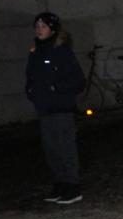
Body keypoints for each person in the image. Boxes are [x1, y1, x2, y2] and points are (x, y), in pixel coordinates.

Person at [25, 12, 85, 205]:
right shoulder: (35, 51)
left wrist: (56, 88)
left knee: (65, 148)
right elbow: (31, 76)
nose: (39, 29)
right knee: (51, 149)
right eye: (37, 26)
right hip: (44, 109)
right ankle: (60, 184)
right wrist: (31, 91)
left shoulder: (62, 51)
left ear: (52, 29)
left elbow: (78, 80)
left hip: (61, 108)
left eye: (43, 26)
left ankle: (73, 186)